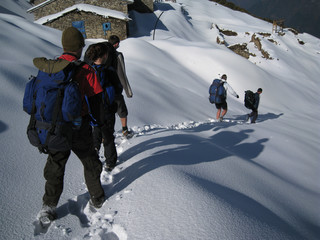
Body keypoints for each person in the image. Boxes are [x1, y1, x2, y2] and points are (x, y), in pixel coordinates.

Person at [38, 27, 106, 222]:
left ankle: (48, 206)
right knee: (90, 162)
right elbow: (96, 101)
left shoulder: (52, 67)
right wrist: (99, 125)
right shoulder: (85, 70)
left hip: (54, 128)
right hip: (78, 125)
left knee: (55, 165)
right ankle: (97, 198)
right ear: (79, 47)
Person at [85, 42, 121, 171]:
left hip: (92, 109)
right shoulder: (109, 71)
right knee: (108, 136)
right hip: (107, 109)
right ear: (104, 55)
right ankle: (110, 161)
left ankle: (94, 153)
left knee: (96, 132)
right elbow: (118, 89)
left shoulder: (87, 70)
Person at [108, 35, 133, 138]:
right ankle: (125, 131)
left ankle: (107, 135)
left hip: (102, 89)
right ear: (117, 44)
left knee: (107, 113)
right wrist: (128, 91)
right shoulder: (118, 55)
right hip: (115, 89)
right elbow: (121, 73)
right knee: (122, 110)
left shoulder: (101, 54)